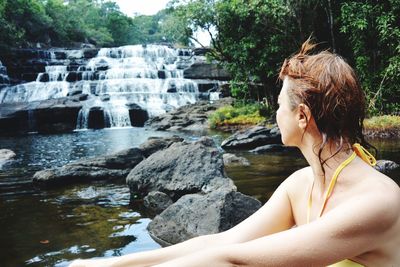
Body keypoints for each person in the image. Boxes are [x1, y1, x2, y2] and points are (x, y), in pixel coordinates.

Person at [70, 40, 400, 267]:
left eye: (279, 105)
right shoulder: (301, 184)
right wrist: (109, 262)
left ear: (301, 116)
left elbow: (234, 259)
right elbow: (221, 243)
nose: (276, 114)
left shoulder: (376, 201)